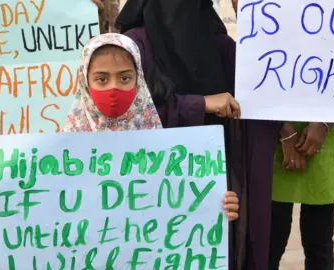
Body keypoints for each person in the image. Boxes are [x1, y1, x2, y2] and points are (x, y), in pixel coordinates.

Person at [0, 33, 240, 265]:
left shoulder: (169, 155)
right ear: (85, 82)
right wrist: (3, 204)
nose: (113, 88)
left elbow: (184, 217)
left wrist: (215, 207)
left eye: (125, 78)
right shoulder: (54, 157)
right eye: (101, 79)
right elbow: (38, 221)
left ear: (139, 83)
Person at [115, 0, 282, 269]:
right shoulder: (134, 46)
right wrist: (202, 103)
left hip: (218, 186)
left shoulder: (219, 44)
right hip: (153, 186)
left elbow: (264, 88)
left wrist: (260, 24)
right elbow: (129, 114)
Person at [269, 122, 334, 270]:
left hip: (324, 141)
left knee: (319, 241)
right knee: (270, 240)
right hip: (270, 136)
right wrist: (283, 129)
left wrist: (324, 122)